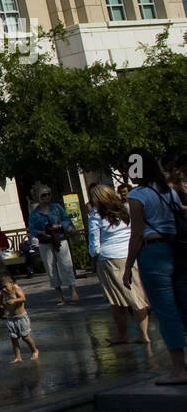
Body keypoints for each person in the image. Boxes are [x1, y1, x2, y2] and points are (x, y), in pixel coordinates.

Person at [124, 150, 187, 385]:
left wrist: (128, 266)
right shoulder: (169, 191)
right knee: (184, 305)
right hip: (177, 251)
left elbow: (137, 234)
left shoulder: (137, 195)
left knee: (166, 311)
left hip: (154, 253)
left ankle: (179, 369)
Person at [88, 184, 151, 345]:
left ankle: (123, 335)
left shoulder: (95, 215)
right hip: (131, 255)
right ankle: (144, 334)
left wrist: (94, 255)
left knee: (116, 300)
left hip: (110, 259)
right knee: (137, 296)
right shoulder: (126, 209)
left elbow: (94, 245)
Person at [28, 184, 80, 305]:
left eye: (49, 194)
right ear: (37, 197)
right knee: (51, 268)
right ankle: (59, 294)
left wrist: (60, 225)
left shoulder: (56, 208)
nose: (47, 197)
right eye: (43, 195)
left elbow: (67, 219)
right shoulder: (34, 214)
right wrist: (41, 232)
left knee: (66, 264)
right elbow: (31, 229)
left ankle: (73, 291)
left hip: (60, 239)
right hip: (45, 242)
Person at [0, 276, 40, 362]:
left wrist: (15, 300)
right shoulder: (3, 292)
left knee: (25, 337)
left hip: (21, 317)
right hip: (11, 318)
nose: (4, 289)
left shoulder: (16, 289)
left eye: (5, 286)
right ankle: (18, 357)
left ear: (11, 283)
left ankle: (35, 350)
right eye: (2, 287)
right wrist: (1, 305)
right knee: (13, 338)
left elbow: (23, 298)